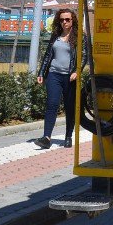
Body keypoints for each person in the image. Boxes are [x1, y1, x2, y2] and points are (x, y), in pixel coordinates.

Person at [34, 8, 79, 149]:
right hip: (54, 74)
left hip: (70, 77)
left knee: (69, 107)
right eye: (61, 20)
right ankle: (46, 137)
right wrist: (41, 73)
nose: (64, 22)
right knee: (52, 105)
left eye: (67, 19)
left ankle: (68, 136)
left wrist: (77, 71)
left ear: (73, 21)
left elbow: (83, 55)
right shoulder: (55, 36)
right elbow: (48, 56)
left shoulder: (79, 37)